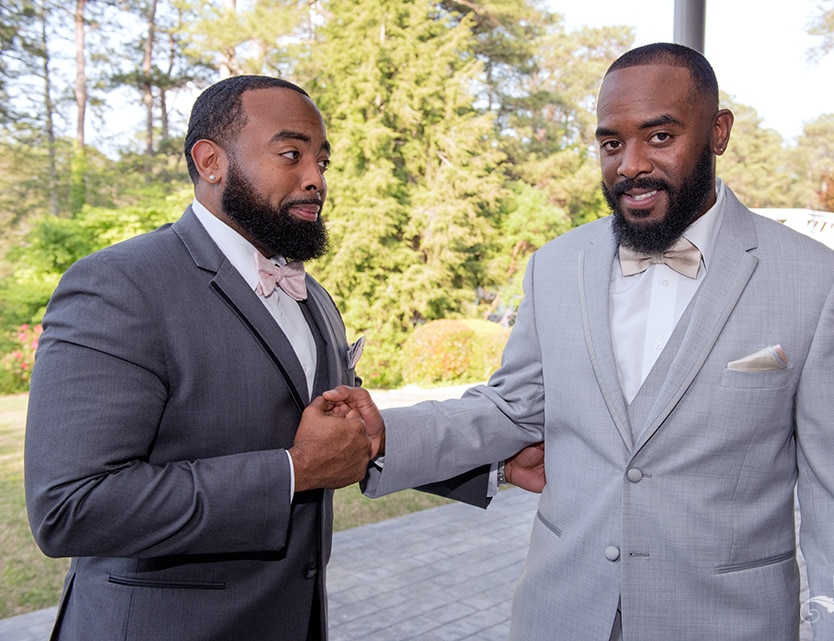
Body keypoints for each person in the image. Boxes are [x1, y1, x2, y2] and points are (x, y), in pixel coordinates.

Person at [325, 43, 834, 640]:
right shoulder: (556, 265)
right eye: (610, 143)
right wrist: (383, 434)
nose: (629, 165)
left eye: (659, 137)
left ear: (718, 132)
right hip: (561, 616)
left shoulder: (816, 281)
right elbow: (511, 408)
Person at [23, 75, 491, 641]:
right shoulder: (119, 284)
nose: (316, 179)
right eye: (291, 155)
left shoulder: (313, 296)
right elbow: (71, 507)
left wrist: (493, 465)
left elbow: (346, 438)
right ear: (210, 161)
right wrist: (292, 472)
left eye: (323, 161)